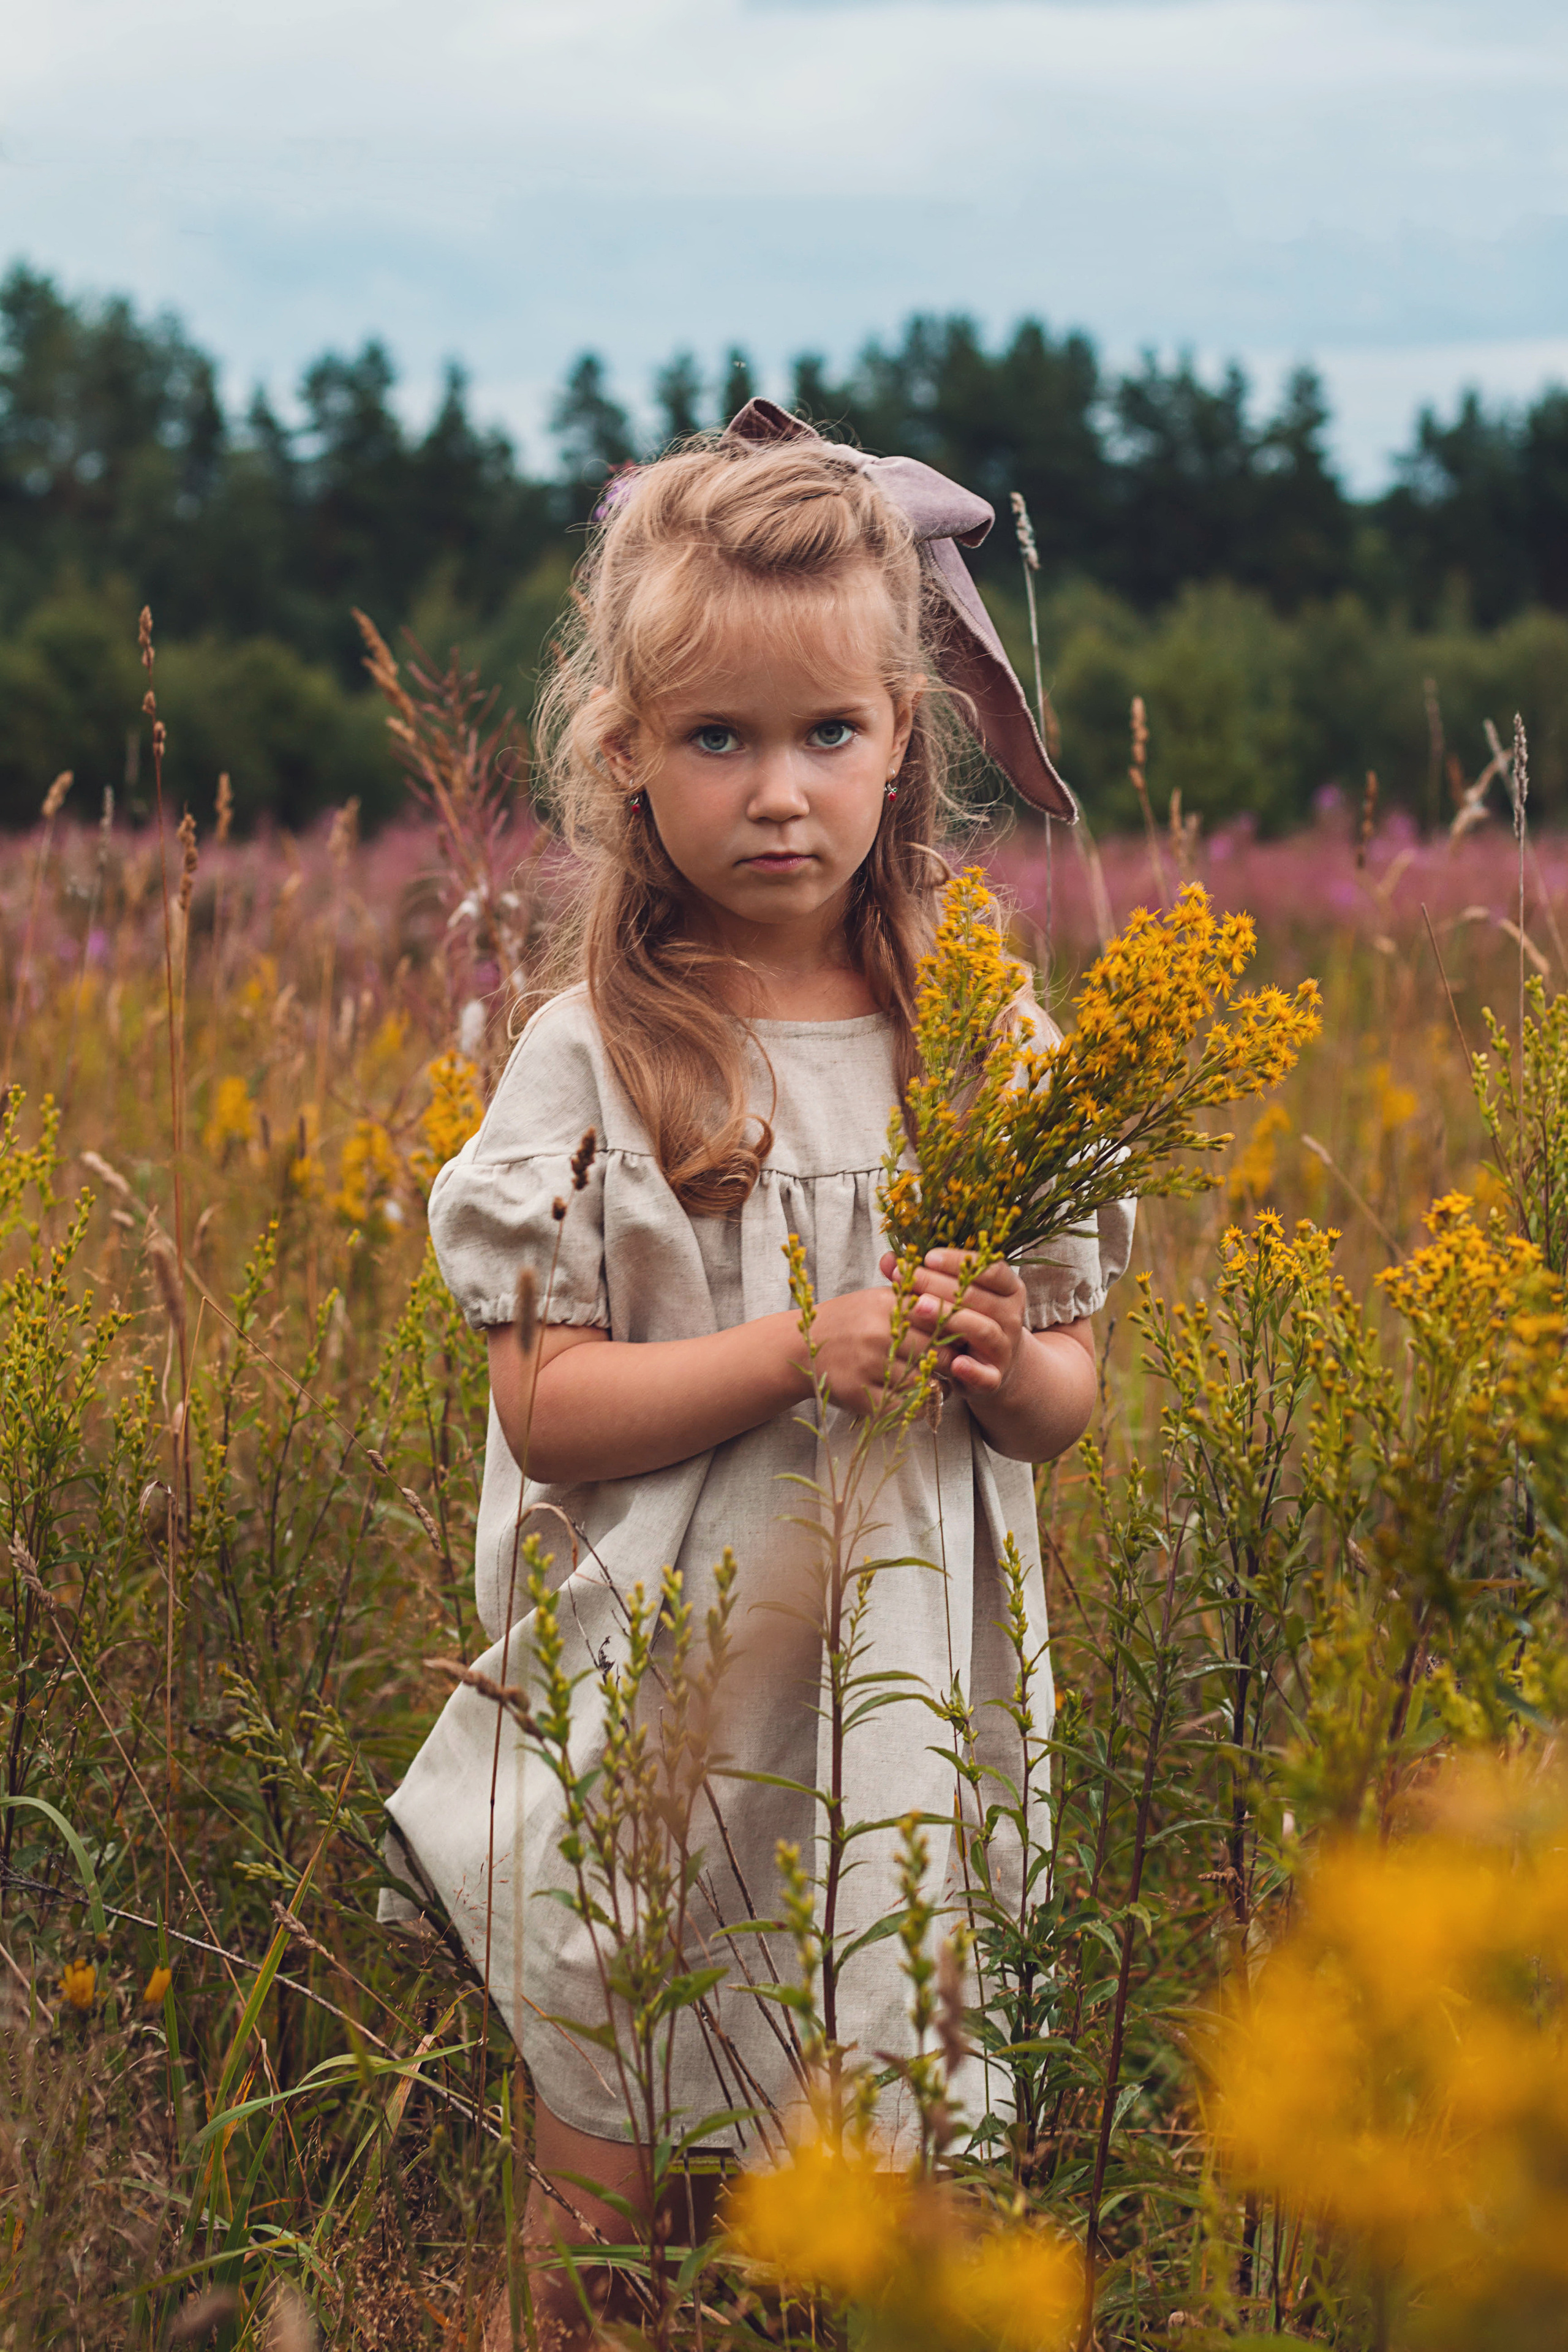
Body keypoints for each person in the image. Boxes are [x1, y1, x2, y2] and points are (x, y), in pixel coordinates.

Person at [383, 401, 1134, 2340]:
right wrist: (801, 1350)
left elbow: (1068, 1403)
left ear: (904, 741)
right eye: (717, 738)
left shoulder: (978, 1032)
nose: (779, 793)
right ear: (629, 755)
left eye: (828, 736)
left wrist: (1002, 1364)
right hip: (667, 1701)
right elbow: (544, 1407)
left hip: (905, 1706)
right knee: (616, 2160)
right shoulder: (598, 1051)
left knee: (907, 2140)